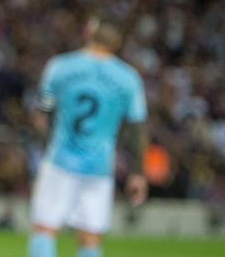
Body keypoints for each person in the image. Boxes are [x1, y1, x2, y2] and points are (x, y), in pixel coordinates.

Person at [26, 17, 148, 257]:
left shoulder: (60, 67)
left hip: (60, 160)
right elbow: (136, 128)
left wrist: (45, 145)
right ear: (117, 42)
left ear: (90, 33)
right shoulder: (128, 78)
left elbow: (43, 114)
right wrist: (138, 173)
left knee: (45, 229)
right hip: (99, 167)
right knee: (90, 239)